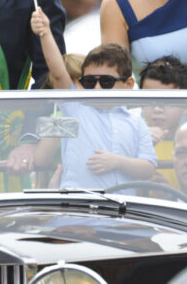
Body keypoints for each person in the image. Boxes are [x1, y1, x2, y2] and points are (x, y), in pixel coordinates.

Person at [28, 28, 156, 189]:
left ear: (128, 84)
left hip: (123, 211)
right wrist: (45, 32)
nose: (96, 88)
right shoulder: (76, 108)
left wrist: (118, 162)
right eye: (89, 82)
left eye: (106, 82)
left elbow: (149, 168)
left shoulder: (137, 122)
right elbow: (58, 72)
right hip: (77, 210)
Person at [138, 55, 187, 187]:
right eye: (150, 99)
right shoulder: (131, 139)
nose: (157, 109)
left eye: (167, 101)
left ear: (185, 106)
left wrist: (170, 195)